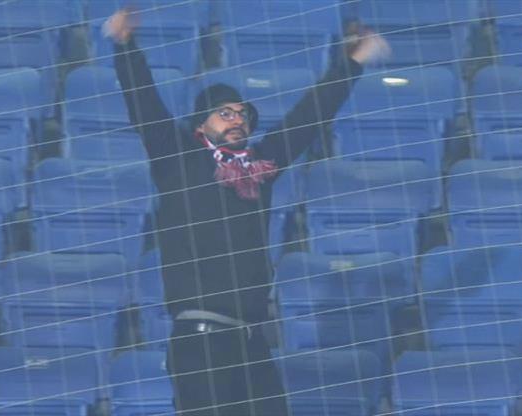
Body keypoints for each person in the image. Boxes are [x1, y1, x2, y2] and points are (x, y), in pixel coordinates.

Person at [105, 7, 390, 415]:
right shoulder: (177, 157)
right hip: (201, 340)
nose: (237, 119)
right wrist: (125, 45)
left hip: (251, 342)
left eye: (242, 115)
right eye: (225, 113)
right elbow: (143, 102)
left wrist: (354, 60)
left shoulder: (260, 167)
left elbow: (308, 117)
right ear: (199, 127)